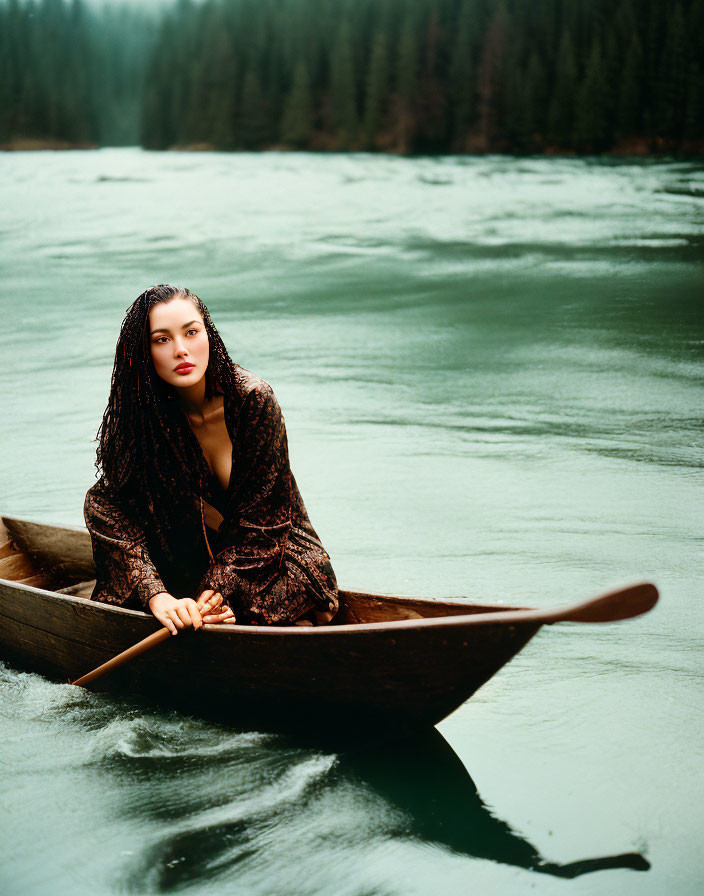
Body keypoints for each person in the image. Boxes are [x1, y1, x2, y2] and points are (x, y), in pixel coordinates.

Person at [84, 284, 339, 635]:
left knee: (290, 592)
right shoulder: (142, 414)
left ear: (209, 334)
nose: (181, 350)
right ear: (143, 353)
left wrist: (215, 591)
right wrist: (156, 596)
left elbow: (267, 525)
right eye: (162, 339)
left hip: (270, 555)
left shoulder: (251, 400)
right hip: (189, 556)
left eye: (191, 332)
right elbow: (104, 506)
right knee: (170, 605)